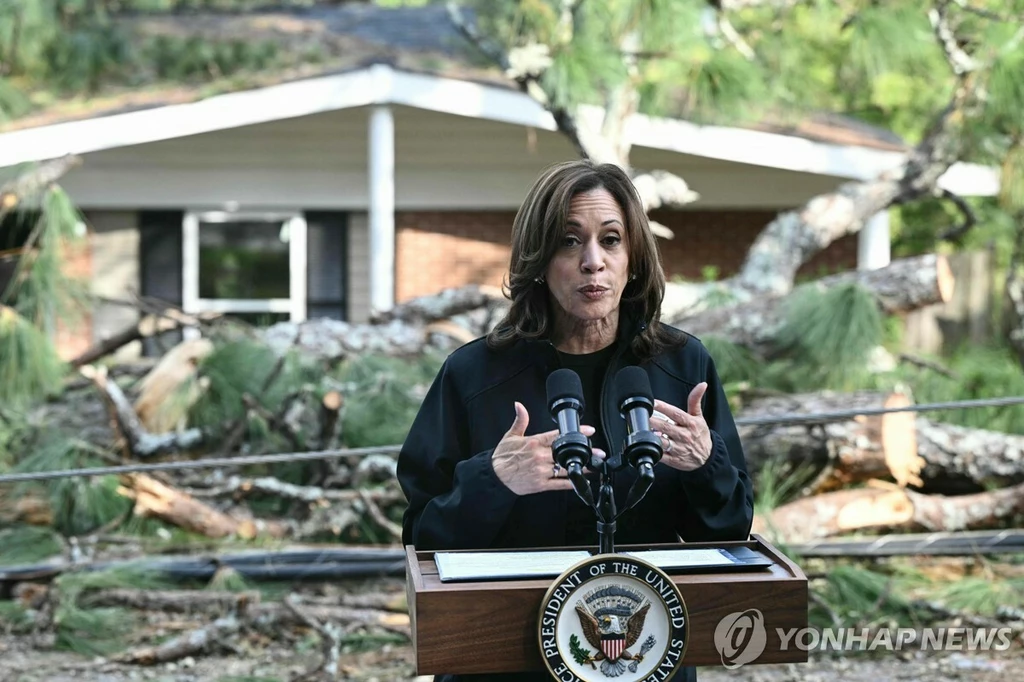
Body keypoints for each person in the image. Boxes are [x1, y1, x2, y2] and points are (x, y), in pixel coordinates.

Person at [397, 160, 754, 682]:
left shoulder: (683, 366)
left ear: (633, 257)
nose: (593, 262)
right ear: (539, 259)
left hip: (644, 656)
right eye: (569, 242)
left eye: (611, 240)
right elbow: (421, 539)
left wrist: (706, 464)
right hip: (502, 660)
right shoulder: (473, 375)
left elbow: (730, 529)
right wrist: (493, 482)